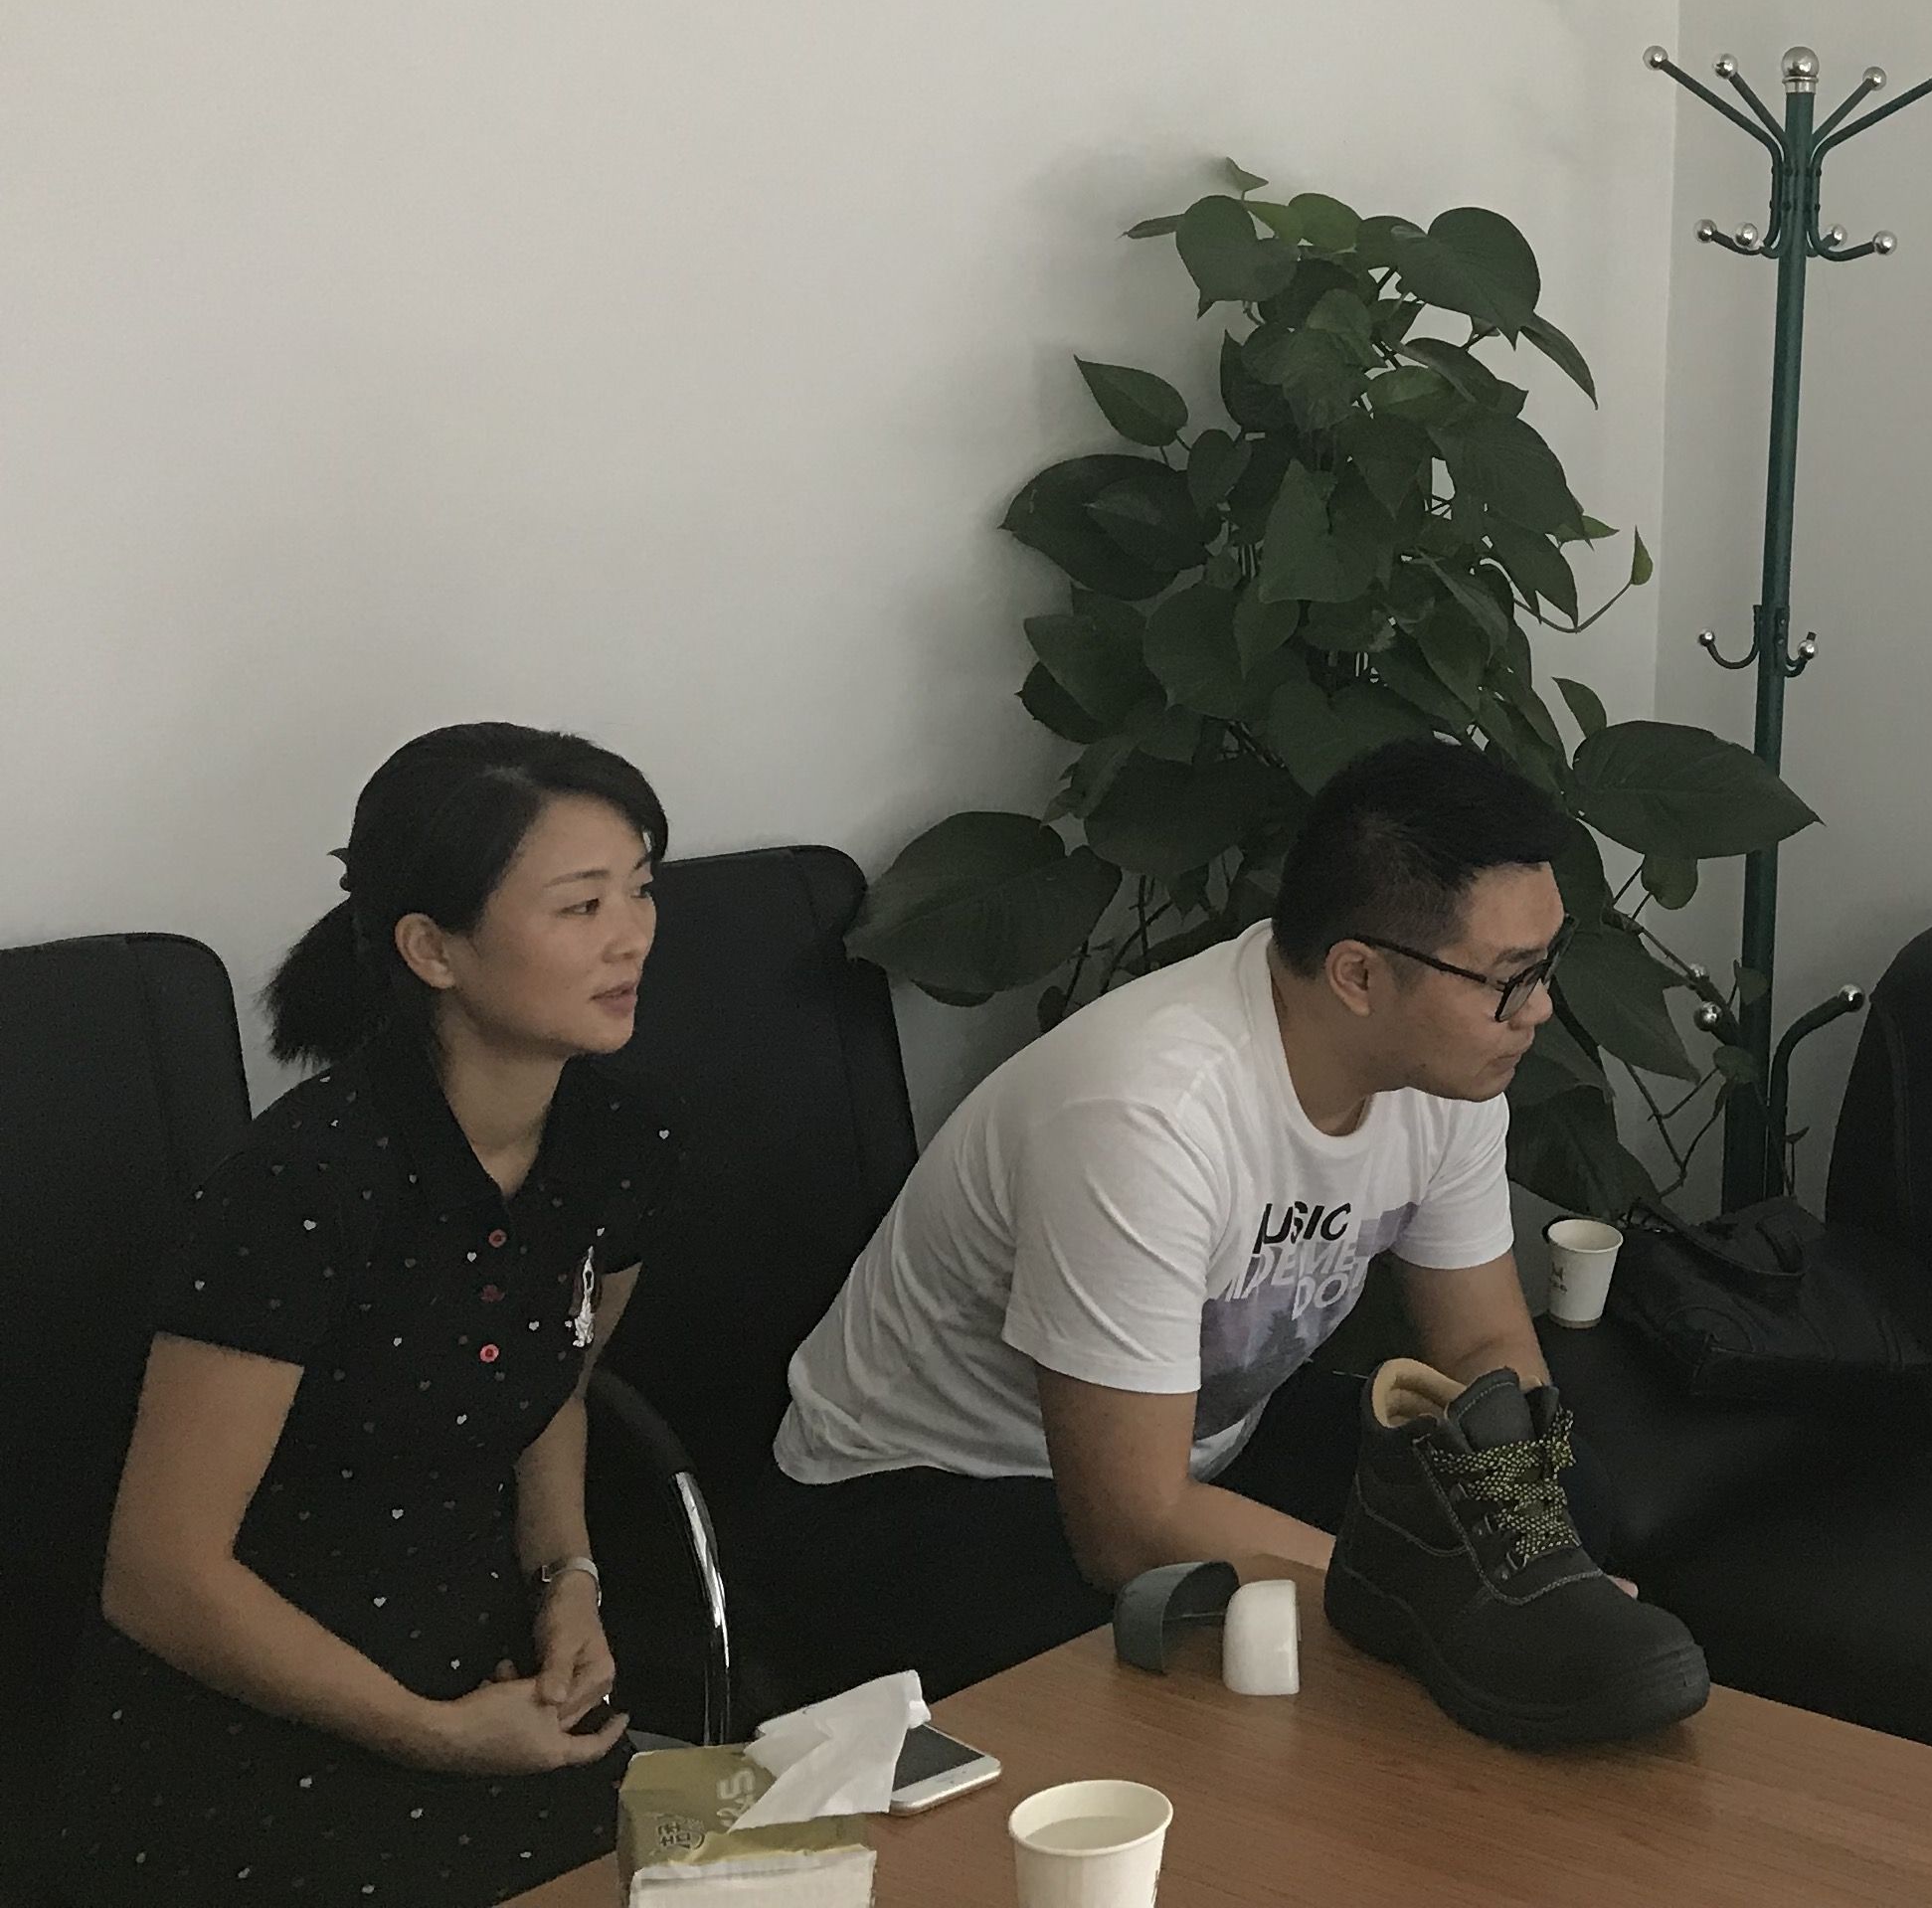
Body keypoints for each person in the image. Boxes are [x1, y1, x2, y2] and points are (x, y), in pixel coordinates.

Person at [762, 735, 1587, 1700]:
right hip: (920, 1496)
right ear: (1359, 976)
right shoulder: (1145, 1114)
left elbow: (1483, 1344)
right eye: (1509, 978)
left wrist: (1539, 1556)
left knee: (1560, 1514)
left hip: (1194, 1449)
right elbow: (1127, 1529)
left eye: (1546, 965)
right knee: (1255, 1684)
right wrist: (1455, 1600)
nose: (1539, 1009)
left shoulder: (1448, 1074)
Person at [60, 724, 679, 1908]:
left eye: (640, 890)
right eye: (580, 906)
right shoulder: (305, 1186)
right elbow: (160, 1577)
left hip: (487, 1680)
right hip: (260, 1721)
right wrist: (430, 1735)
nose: (631, 936)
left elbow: (553, 1380)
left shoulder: (623, 1143)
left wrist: (567, 1578)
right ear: (433, 949)